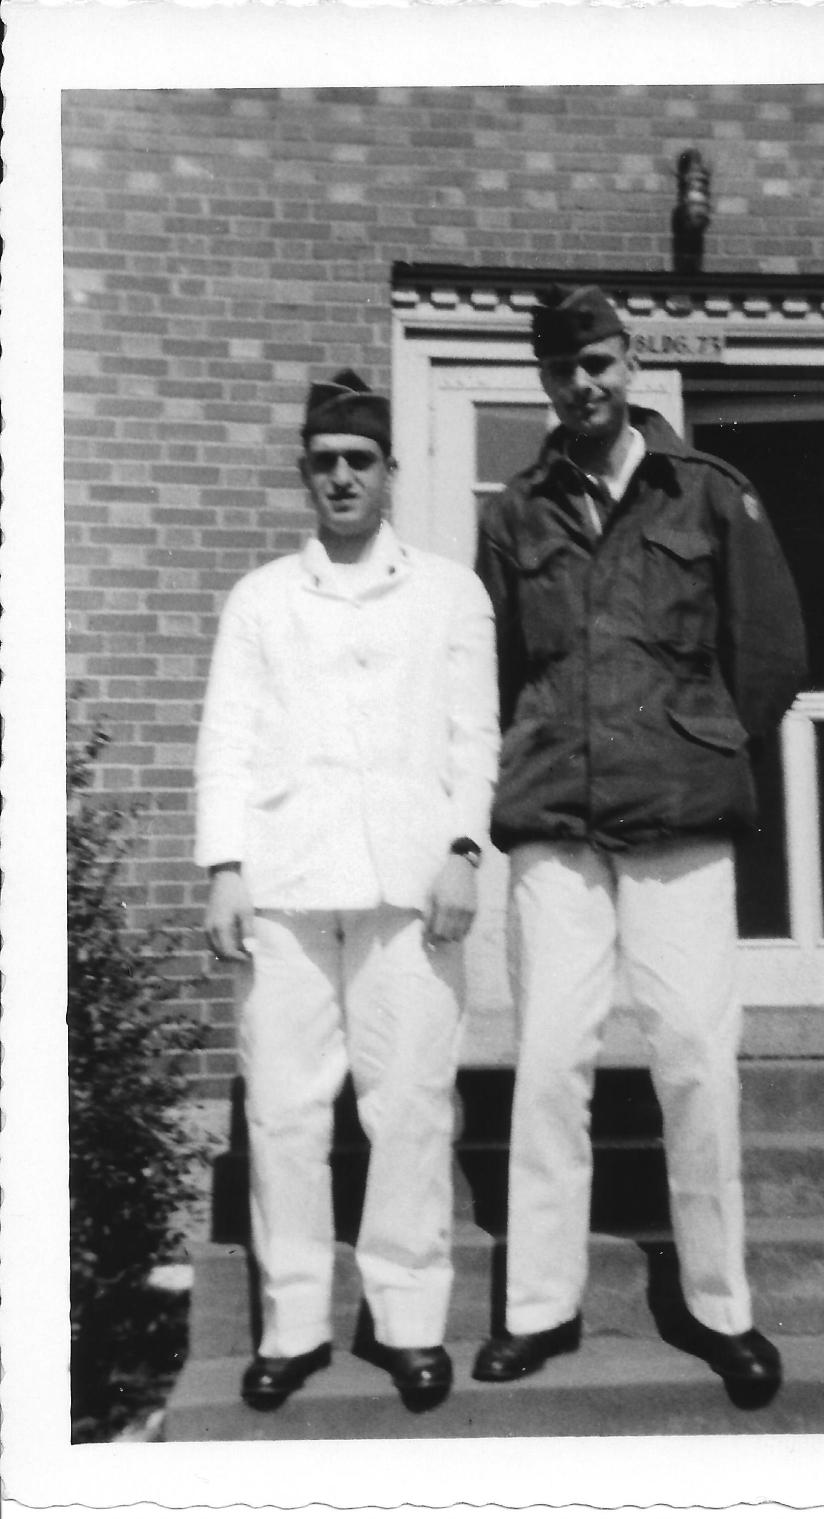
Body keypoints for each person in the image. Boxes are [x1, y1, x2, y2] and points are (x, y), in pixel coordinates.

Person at [473, 287, 807, 1410]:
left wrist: (697, 742)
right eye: (563, 370)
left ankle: (721, 1306)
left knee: (696, 1059)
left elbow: (770, 651)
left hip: (679, 816)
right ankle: (538, 1306)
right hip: (555, 823)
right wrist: (533, 749)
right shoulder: (514, 512)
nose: (585, 385)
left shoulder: (707, 490)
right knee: (547, 1062)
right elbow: (497, 667)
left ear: (630, 364)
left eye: (601, 363)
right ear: (544, 381)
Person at [196, 371, 499, 1414]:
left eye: (358, 460)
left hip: (409, 887)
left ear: (388, 472)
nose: (340, 477)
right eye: (323, 461)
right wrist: (224, 868)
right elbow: (227, 738)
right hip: (284, 886)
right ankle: (292, 1325)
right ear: (303, 473)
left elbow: (474, 735)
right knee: (284, 1112)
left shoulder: (450, 592)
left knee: (409, 1106)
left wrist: (463, 849)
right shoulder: (261, 598)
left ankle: (408, 1320)